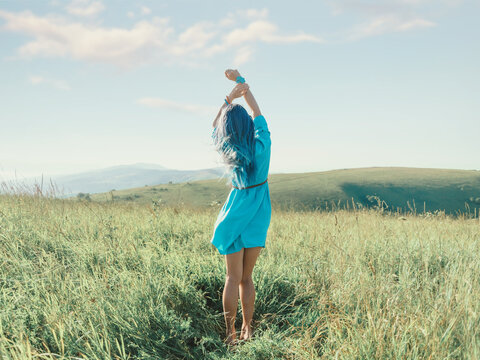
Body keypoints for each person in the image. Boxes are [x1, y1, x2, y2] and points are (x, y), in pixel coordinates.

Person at [210, 69, 272, 347]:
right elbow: (257, 111)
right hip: (258, 212)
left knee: (231, 277)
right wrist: (240, 83)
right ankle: (248, 328)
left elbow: (214, 126)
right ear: (248, 126)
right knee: (247, 278)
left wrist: (227, 99)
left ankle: (230, 334)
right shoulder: (263, 145)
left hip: (235, 213)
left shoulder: (226, 147)